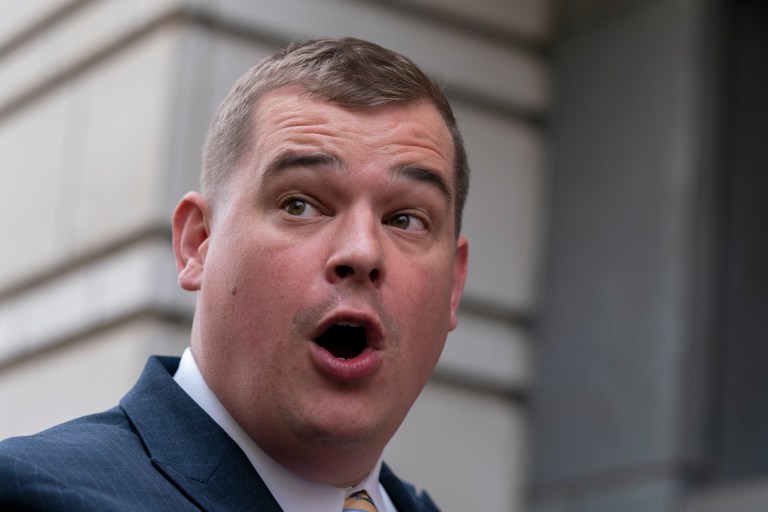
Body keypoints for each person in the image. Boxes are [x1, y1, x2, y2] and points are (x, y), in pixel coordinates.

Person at [0, 37, 469, 511]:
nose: (363, 251)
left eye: (405, 219)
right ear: (197, 243)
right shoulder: (33, 495)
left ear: (453, 284)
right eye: (300, 205)